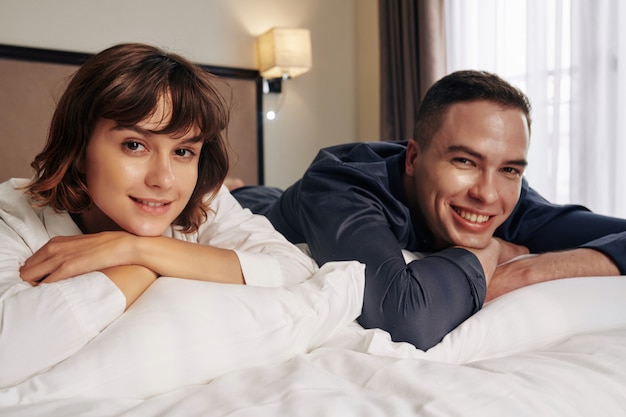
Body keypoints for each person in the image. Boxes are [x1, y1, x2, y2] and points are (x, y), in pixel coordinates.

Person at [232, 70, 626, 350]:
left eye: (509, 168)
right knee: (242, 195)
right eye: (464, 162)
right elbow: (405, 318)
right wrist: (486, 252)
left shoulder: (511, 198)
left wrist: (528, 269)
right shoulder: (341, 186)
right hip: (265, 208)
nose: (488, 195)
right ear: (413, 158)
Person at [0, 43, 318, 385]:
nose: (164, 180)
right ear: (78, 148)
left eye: (183, 151)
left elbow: (296, 269)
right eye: (134, 145)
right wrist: (140, 269)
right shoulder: (13, 215)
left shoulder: (203, 199)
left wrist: (134, 249)